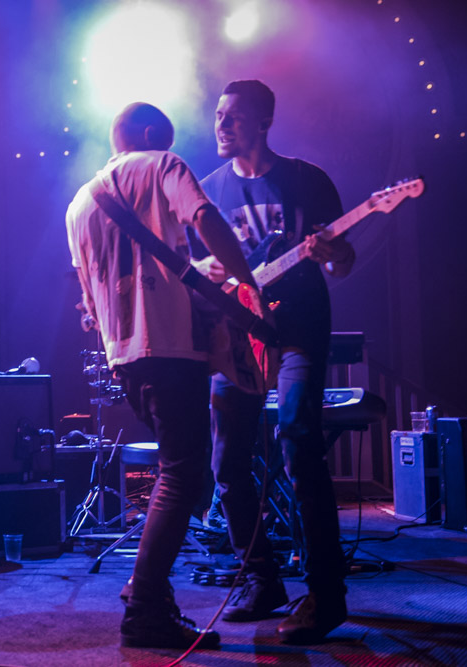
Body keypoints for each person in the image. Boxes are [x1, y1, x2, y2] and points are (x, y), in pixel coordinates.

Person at [66, 102, 261, 650]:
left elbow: (89, 302)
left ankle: (147, 595)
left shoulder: (79, 204)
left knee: (181, 469)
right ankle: (146, 605)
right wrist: (250, 286)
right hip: (172, 348)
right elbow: (204, 219)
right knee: (184, 474)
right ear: (151, 135)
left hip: (124, 354)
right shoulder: (163, 165)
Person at [193, 79, 356, 645]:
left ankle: (327, 594)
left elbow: (341, 266)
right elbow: (198, 274)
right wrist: (210, 274)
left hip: (298, 334)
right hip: (235, 340)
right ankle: (261, 580)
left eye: (233, 117)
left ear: (263, 122)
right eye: (218, 116)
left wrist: (333, 255)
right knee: (226, 463)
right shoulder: (208, 190)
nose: (221, 125)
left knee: (297, 442)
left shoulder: (306, 180)